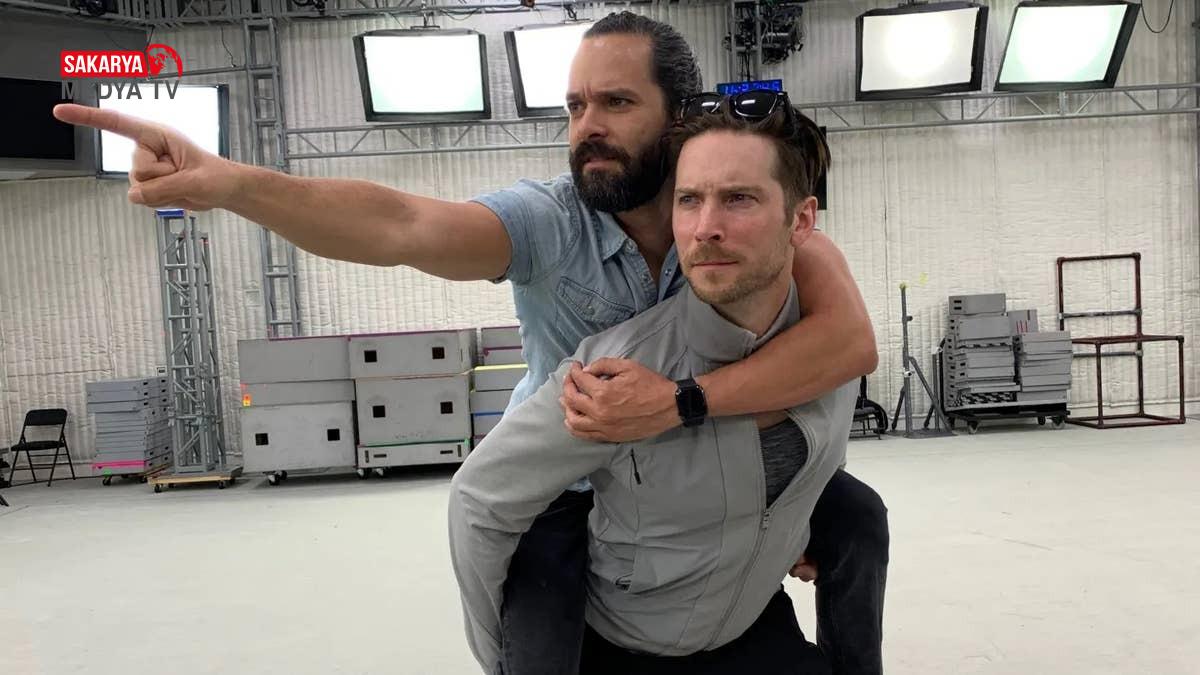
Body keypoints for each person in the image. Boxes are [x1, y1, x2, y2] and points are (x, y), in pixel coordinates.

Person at [52, 12, 886, 674]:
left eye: (616, 104)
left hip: (692, 456)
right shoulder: (548, 222)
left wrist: (680, 407)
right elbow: (400, 224)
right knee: (542, 635)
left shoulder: (736, 213)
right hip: (571, 483)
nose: (587, 127)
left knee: (856, 519)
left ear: (678, 116)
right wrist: (234, 183)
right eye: (575, 107)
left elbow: (848, 340)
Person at [450, 93, 856, 675]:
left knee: (865, 522)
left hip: (746, 625)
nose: (706, 228)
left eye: (739, 199)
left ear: (801, 221)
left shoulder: (833, 350)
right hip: (627, 644)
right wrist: (503, 660)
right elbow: (479, 500)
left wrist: (797, 531)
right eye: (689, 201)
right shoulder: (614, 376)